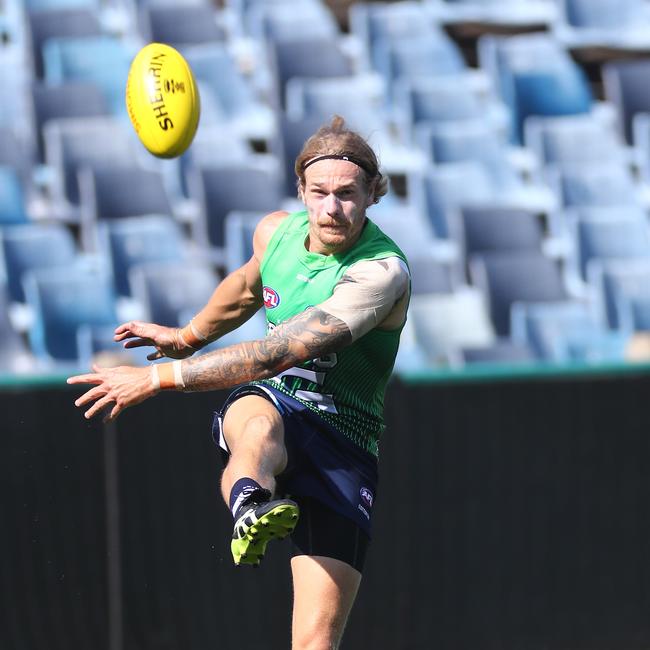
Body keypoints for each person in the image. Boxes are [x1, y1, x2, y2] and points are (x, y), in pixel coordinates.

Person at [68, 116, 410, 650]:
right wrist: (186, 337)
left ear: (372, 194)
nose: (331, 208)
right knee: (260, 424)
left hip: (346, 443)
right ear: (301, 190)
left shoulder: (380, 272)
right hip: (279, 402)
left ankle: (256, 500)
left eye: (346, 194)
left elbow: (279, 351)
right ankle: (250, 503)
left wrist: (157, 378)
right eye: (318, 193)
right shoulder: (276, 232)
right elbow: (249, 285)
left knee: (316, 642)